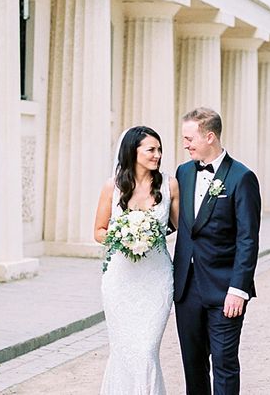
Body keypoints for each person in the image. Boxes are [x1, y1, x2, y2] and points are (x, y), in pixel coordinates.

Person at [173, 107, 261, 395]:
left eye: (189, 138)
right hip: (186, 289)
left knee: (224, 363)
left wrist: (239, 289)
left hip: (225, 290)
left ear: (210, 136)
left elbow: (248, 239)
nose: (185, 144)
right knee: (193, 365)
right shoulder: (183, 173)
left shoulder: (242, 177)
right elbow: (181, 223)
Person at [94, 125, 180, 395]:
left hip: (156, 280)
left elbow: (182, 227)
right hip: (121, 281)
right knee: (123, 351)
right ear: (134, 151)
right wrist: (123, 237)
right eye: (151, 149)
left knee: (146, 350)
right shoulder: (113, 186)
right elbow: (98, 231)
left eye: (159, 149)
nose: (158, 155)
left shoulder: (169, 185)